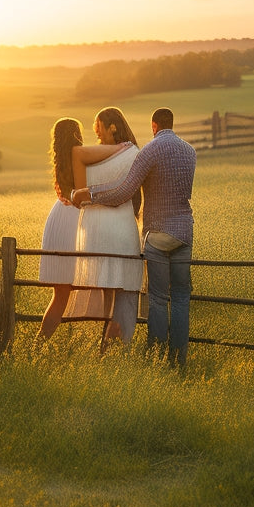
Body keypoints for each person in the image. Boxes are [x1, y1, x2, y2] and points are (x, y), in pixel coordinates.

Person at [72, 107, 196, 367]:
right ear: (172, 123)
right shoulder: (189, 152)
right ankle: (179, 361)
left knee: (159, 299)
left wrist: (90, 194)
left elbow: (124, 191)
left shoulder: (150, 150)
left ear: (153, 126)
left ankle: (156, 358)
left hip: (158, 232)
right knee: (182, 297)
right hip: (184, 232)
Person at [37, 117, 129, 339]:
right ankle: (106, 344)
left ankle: (38, 346)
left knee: (60, 295)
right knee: (107, 285)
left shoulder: (59, 160)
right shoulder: (81, 154)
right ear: (77, 133)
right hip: (77, 220)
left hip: (58, 217)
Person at [68, 107, 143, 348]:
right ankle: (116, 343)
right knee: (120, 289)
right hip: (117, 227)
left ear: (113, 127)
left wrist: (85, 195)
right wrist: (122, 147)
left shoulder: (101, 154)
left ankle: (109, 342)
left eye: (99, 129)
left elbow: (80, 193)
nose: (97, 135)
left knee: (110, 290)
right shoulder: (131, 152)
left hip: (103, 228)